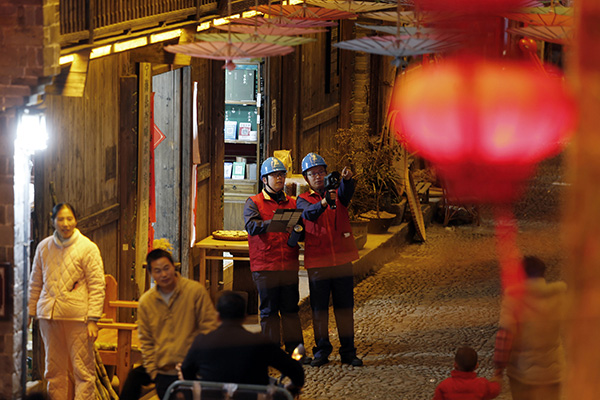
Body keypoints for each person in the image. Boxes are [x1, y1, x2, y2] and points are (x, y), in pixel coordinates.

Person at [28, 202, 106, 400]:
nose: (65, 223)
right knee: (53, 371)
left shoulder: (88, 247)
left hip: (77, 318)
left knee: (83, 371)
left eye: (69, 218)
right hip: (49, 316)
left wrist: (93, 319)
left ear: (76, 220)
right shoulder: (43, 247)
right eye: (60, 219)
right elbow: (35, 282)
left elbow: (97, 285)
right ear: (53, 221)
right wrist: (30, 312)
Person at [120, 248, 219, 400]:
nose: (164, 274)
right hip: (162, 370)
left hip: (192, 368)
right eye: (158, 271)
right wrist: (153, 371)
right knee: (134, 377)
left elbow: (210, 329)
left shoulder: (194, 292)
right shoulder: (147, 302)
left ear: (174, 266)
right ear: (151, 274)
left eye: (166, 268)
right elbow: (146, 340)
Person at [296, 153, 362, 367]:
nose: (318, 176)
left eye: (321, 172)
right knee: (319, 310)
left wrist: (347, 179)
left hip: (342, 261)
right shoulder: (303, 199)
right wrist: (325, 202)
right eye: (312, 173)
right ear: (306, 178)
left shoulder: (337, 193)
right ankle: (322, 351)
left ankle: (348, 352)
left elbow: (347, 191)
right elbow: (308, 214)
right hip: (318, 263)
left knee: (345, 309)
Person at [243, 157, 308, 362]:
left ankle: (296, 353)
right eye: (274, 175)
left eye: (281, 175)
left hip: (288, 264)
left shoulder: (293, 202)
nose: (279, 178)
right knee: (269, 312)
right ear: (264, 179)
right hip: (265, 265)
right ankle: (272, 356)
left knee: (290, 310)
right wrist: (276, 222)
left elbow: (302, 230)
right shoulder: (253, 202)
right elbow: (251, 227)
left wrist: (298, 230)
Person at [181, 291, 304, 394]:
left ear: (217, 317)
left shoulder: (202, 342)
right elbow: (295, 371)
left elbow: (186, 370)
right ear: (244, 317)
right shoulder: (260, 342)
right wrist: (291, 387)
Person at [493, 256, 567, 400]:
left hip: (523, 373)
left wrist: (499, 370)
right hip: (553, 372)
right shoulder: (558, 296)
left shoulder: (514, 299)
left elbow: (505, 336)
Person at [433, 346, 501, 400]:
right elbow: (495, 390)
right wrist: (497, 377)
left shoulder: (444, 386)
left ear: (455, 365)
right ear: (476, 366)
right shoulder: (483, 385)